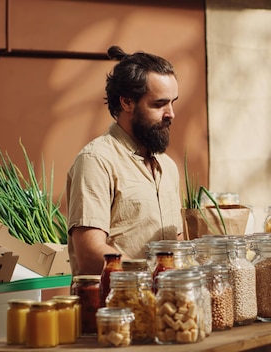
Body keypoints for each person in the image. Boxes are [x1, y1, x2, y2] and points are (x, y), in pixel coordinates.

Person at [66, 46, 184, 275]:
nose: (171, 114)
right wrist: (149, 277)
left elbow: (176, 246)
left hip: (167, 306)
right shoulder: (96, 161)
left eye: (173, 102)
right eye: (159, 104)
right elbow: (90, 254)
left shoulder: (168, 167)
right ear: (127, 102)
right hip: (115, 307)